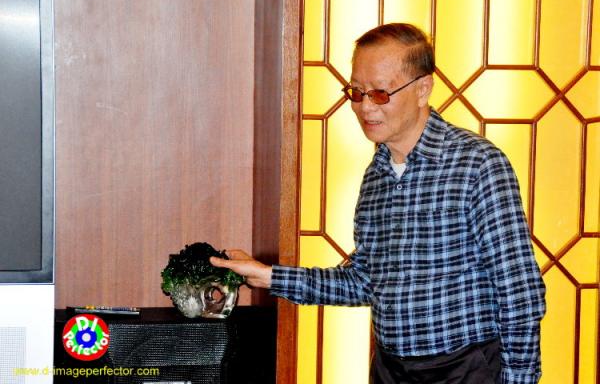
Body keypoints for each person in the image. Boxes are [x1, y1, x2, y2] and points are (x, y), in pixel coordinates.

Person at [211, 23, 546, 384]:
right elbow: (363, 281)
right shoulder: (376, 176)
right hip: (390, 368)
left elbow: (520, 291)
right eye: (356, 92)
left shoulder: (478, 164)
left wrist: (520, 379)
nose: (365, 107)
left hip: (465, 369)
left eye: (380, 94)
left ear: (423, 89)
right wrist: (268, 275)